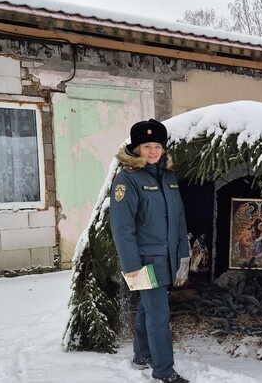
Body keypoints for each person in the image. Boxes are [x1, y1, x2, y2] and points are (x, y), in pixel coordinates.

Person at [110, 118, 190, 383]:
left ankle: (142, 355)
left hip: (167, 258)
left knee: (149, 308)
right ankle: (164, 370)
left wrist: (183, 255)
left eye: (157, 146)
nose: (153, 151)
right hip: (145, 261)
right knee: (158, 314)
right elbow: (122, 228)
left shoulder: (168, 177)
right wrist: (132, 267)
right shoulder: (127, 180)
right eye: (147, 146)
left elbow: (179, 219)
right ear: (137, 148)